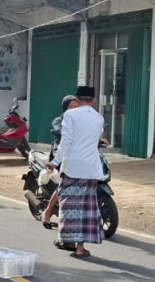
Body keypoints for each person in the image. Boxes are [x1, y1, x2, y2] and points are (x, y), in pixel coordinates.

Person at [48, 85, 106, 259]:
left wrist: (54, 162)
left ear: (77, 99)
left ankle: (67, 241)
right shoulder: (99, 118)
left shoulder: (70, 115)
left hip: (73, 166)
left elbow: (66, 141)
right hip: (90, 169)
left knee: (71, 206)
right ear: (93, 101)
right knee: (87, 209)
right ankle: (80, 248)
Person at [40, 94, 78, 230]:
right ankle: (48, 212)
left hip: (76, 153)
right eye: (71, 106)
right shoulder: (59, 120)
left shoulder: (80, 120)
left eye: (76, 106)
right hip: (60, 150)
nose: (74, 109)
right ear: (65, 108)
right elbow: (61, 132)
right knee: (64, 183)